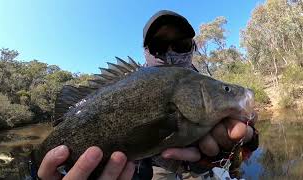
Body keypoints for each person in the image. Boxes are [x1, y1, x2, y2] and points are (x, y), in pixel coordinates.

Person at [36, 10, 258, 180]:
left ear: (193, 47)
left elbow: (240, 148)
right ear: (146, 50)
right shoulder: (135, 84)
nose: (170, 53)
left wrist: (240, 144)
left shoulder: (205, 88)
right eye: (159, 46)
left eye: (181, 44)